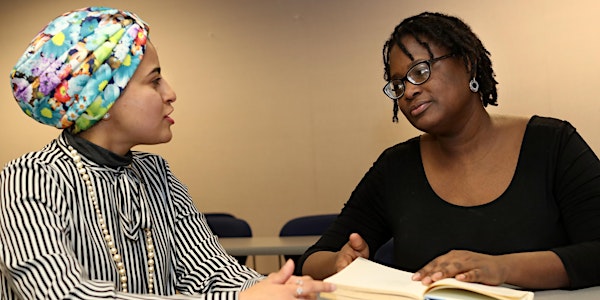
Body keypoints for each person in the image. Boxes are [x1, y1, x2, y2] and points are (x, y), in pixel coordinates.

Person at [0, 6, 335, 299]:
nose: (170, 93)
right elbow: (64, 295)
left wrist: (279, 289)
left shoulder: (157, 174)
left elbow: (214, 273)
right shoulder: (26, 182)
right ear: (101, 97)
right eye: (154, 81)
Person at [298, 11, 600, 290]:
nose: (409, 91)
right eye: (398, 85)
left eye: (420, 72)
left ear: (467, 62)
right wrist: (340, 262)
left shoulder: (552, 145)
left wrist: (502, 268)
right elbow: (313, 260)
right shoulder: (396, 168)